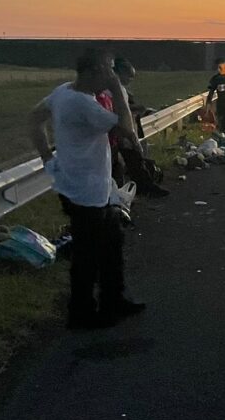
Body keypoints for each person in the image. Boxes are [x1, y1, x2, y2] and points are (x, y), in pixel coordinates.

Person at [28, 49, 146, 329]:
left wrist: (47, 156)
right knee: (88, 255)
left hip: (90, 184)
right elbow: (127, 128)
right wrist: (118, 89)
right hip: (85, 190)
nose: (112, 75)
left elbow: (34, 118)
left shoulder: (62, 92)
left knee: (111, 246)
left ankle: (112, 299)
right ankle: (82, 314)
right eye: (108, 70)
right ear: (94, 71)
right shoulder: (82, 104)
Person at [111, 57, 169, 197]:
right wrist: (137, 108)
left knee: (132, 162)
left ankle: (130, 191)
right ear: (119, 73)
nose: (131, 80)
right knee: (128, 162)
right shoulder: (113, 89)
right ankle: (132, 191)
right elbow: (118, 108)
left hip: (123, 131)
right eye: (129, 76)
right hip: (119, 132)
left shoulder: (121, 89)